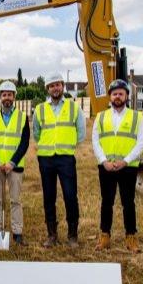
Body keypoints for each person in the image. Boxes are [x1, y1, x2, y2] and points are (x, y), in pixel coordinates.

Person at [91, 79, 143, 253]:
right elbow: (96, 141)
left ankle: (131, 237)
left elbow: (141, 142)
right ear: (110, 97)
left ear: (127, 96)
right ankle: (105, 236)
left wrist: (126, 161)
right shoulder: (101, 116)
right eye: (114, 94)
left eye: (121, 93)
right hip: (106, 167)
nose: (118, 96)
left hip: (127, 167)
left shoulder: (137, 117)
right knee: (107, 202)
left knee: (128, 202)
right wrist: (103, 161)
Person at [33, 74, 86, 247]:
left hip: (65, 158)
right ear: (47, 89)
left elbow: (81, 133)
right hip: (46, 159)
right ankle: (52, 235)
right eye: (51, 85)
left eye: (58, 85)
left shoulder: (73, 107)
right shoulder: (40, 109)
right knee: (49, 197)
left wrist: (67, 144)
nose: (55, 88)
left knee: (70, 196)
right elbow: (36, 133)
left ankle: (72, 235)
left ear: (62, 86)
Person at [0, 81, 30, 245]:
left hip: (14, 167)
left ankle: (17, 233)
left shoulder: (23, 117)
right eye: (4, 95)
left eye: (10, 95)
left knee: (15, 201)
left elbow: (24, 143)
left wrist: (12, 162)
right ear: (0, 97)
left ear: (14, 97)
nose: (7, 98)